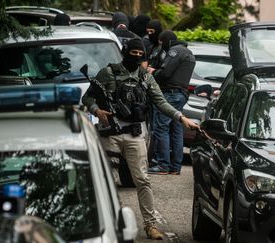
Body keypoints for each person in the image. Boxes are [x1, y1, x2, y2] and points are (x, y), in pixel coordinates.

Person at [82, 38, 198, 240]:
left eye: (140, 54)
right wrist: (96, 110)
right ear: (125, 52)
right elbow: (88, 97)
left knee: (143, 180)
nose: (136, 57)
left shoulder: (145, 77)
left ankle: (150, 225)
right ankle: (108, 223)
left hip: (135, 133)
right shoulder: (108, 73)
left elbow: (160, 102)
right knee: (106, 180)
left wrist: (181, 118)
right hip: (111, 133)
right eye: (133, 53)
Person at [147, 30, 196, 175]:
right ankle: (175, 166)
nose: (161, 46)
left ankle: (162, 165)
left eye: (162, 43)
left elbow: (165, 73)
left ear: (166, 41)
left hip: (170, 94)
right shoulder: (188, 52)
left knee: (161, 127)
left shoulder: (174, 51)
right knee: (176, 129)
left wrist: (153, 71)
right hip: (181, 95)